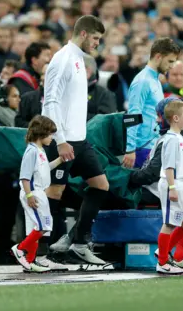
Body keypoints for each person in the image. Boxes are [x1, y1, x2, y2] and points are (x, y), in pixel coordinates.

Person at [42, 15, 109, 265]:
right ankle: (50, 250)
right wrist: (59, 139)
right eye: (95, 38)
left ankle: (79, 242)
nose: (96, 44)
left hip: (79, 140)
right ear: (83, 34)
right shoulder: (63, 59)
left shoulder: (80, 60)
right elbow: (50, 101)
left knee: (101, 185)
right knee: (54, 192)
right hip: (62, 140)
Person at [11, 115, 64, 272]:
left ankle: (29, 261)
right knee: (43, 226)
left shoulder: (39, 151)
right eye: (50, 135)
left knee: (37, 227)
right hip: (34, 193)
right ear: (41, 134)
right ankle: (20, 249)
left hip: (39, 192)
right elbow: (25, 176)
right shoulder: (31, 151)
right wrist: (29, 195)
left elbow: (44, 168)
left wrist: (60, 160)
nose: (52, 139)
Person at [123, 38, 181, 169]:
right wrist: (130, 149)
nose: (172, 66)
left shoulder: (155, 80)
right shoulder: (142, 81)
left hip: (153, 146)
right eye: (170, 61)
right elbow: (132, 115)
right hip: (141, 148)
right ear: (158, 56)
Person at [153, 100, 183, 275]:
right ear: (176, 118)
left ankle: (162, 251)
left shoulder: (180, 138)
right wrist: (172, 187)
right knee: (169, 223)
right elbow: (168, 165)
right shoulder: (170, 140)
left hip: (182, 184)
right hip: (173, 183)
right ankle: (163, 262)